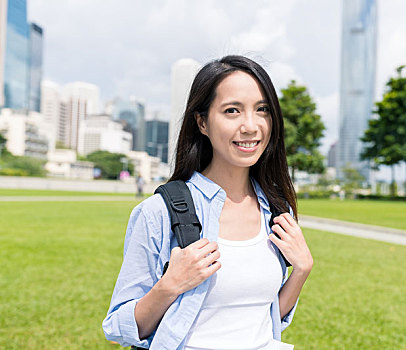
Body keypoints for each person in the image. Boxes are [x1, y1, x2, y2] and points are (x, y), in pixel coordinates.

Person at [102, 55, 313, 350]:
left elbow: (263, 320)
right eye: (232, 111)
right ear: (202, 122)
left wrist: (301, 270)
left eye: (262, 110)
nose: (251, 126)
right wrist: (170, 285)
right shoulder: (159, 212)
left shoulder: (277, 211)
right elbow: (119, 327)